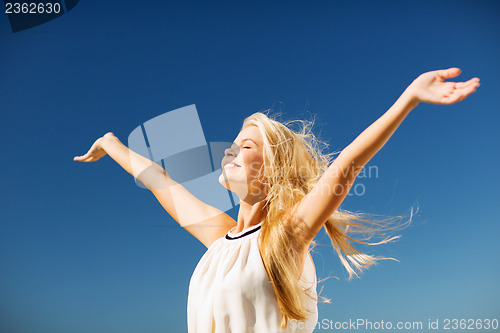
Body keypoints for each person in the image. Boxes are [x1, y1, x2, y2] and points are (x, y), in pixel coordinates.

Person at [74, 67, 480, 333]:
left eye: (246, 145)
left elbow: (347, 166)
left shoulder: (285, 236)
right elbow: (161, 181)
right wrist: (112, 145)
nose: (230, 150)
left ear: (272, 171)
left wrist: (408, 99)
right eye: (231, 144)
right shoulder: (220, 239)